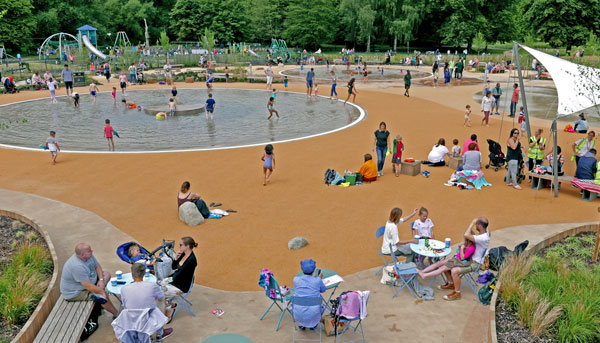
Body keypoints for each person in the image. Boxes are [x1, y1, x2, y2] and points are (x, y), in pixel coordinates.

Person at [60, 243, 118, 316]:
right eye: (89, 251)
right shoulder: (77, 266)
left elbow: (97, 266)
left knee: (106, 275)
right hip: (76, 292)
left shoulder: (88, 256)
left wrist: (100, 280)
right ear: (82, 255)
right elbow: (87, 286)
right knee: (103, 297)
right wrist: (101, 291)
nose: (92, 251)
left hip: (88, 281)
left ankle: (97, 297)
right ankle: (117, 315)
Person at [120, 264, 174, 339]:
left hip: (132, 320)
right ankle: (159, 333)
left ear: (132, 274)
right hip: (148, 319)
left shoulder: (124, 289)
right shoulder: (152, 286)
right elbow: (161, 298)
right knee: (161, 301)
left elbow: (124, 305)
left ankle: (148, 334)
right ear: (144, 273)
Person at [441, 218, 490, 301]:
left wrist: (471, 222)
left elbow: (466, 235)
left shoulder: (483, 238)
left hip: (475, 263)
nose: (475, 225)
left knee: (454, 271)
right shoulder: (485, 233)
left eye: (477, 224)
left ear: (480, 226)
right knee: (447, 263)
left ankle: (457, 293)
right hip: (470, 259)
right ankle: (451, 283)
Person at [158, 237, 198, 318]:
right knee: (157, 284)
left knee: (159, 293)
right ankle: (168, 302)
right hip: (175, 280)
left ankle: (169, 310)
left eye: (181, 245)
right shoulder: (183, 254)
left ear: (187, 246)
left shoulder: (192, 260)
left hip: (181, 286)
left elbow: (180, 275)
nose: (179, 247)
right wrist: (176, 258)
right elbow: (173, 267)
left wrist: (168, 281)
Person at [292, 259, 326, 330]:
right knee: (320, 306)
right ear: (313, 271)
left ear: (302, 270)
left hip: (298, 314)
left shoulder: (296, 279)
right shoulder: (317, 280)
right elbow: (323, 290)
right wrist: (318, 279)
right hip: (314, 314)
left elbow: (297, 289)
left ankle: (302, 324)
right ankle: (313, 324)